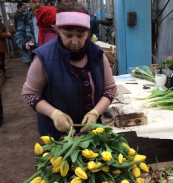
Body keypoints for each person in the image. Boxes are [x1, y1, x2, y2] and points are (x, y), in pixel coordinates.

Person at [22, 0, 117, 140]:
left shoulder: (97, 54)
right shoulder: (44, 57)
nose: (74, 42)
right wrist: (55, 114)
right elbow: (30, 94)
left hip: (91, 134)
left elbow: (110, 89)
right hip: (58, 138)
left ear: (88, 33)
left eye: (80, 36)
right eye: (68, 35)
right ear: (57, 30)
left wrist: (95, 113)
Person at [14, 0, 44, 66]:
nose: (38, 4)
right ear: (29, 3)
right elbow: (18, 37)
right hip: (32, 58)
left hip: (48, 57)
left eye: (40, 1)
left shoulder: (50, 17)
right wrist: (25, 43)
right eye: (34, 1)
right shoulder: (24, 18)